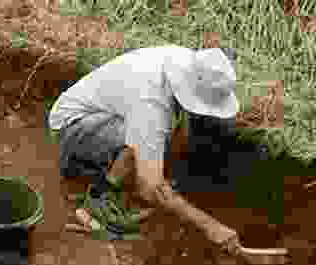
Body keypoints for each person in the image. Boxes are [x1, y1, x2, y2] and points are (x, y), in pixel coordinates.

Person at [48, 45, 242, 250]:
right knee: (144, 146)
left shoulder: (189, 63)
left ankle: (117, 170)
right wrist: (210, 226)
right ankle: (100, 199)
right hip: (72, 127)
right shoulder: (150, 104)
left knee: (154, 140)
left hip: (105, 112)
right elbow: (149, 188)